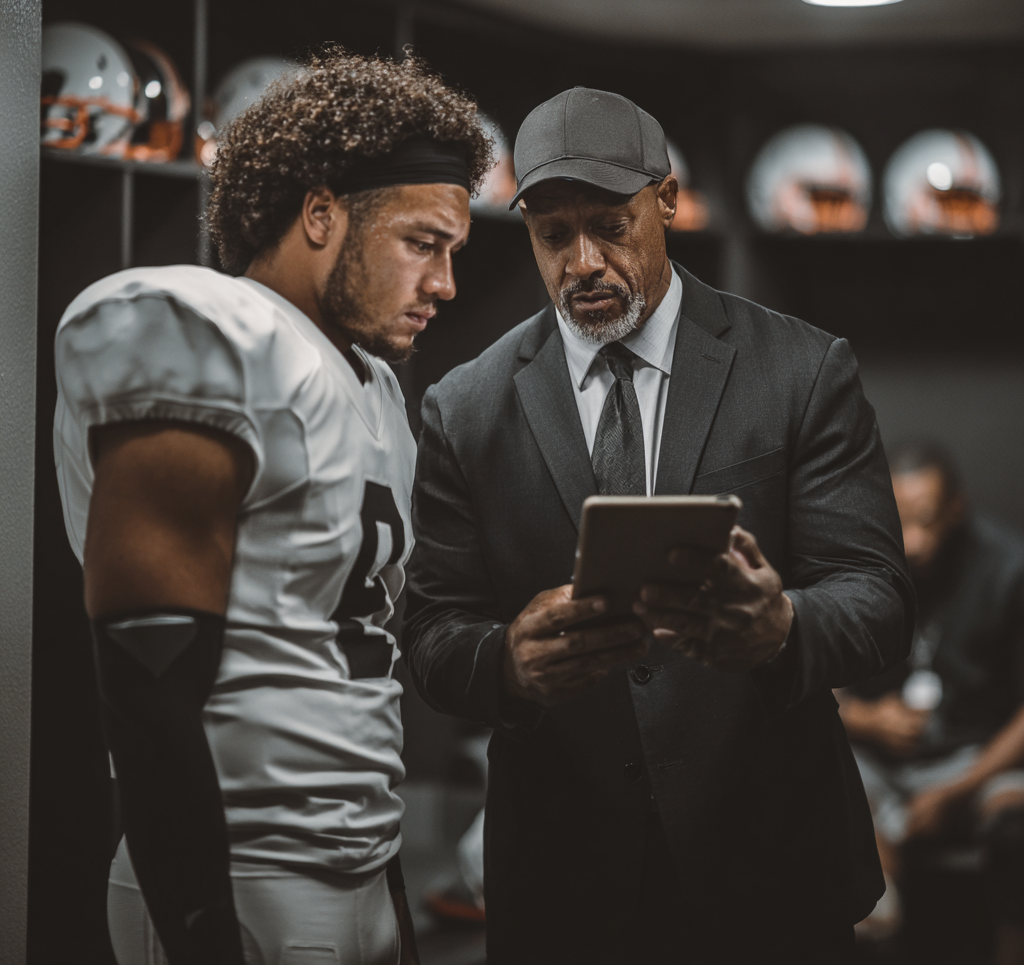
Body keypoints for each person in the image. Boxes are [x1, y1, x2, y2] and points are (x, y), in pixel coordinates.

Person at [402, 86, 914, 965]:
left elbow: (877, 600)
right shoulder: (465, 407)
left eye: (610, 223)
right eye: (553, 235)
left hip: (768, 866)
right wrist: (507, 662)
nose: (583, 262)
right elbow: (431, 630)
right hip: (564, 880)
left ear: (667, 201)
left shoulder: (800, 369)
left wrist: (783, 626)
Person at [52, 47, 491, 965]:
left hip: (355, 855)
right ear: (322, 213)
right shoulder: (205, 329)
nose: (446, 284)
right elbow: (143, 673)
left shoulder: (371, 384)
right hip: (237, 869)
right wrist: (201, 924)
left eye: (453, 252)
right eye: (422, 243)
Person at [839, 441, 1024, 962]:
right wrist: (866, 720)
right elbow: (804, 663)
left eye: (928, 520)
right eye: (902, 523)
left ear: (957, 508)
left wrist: (958, 791)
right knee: (822, 783)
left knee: (1017, 827)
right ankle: (879, 928)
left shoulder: (1009, 568)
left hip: (977, 760)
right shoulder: (857, 558)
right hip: (879, 761)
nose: (914, 542)